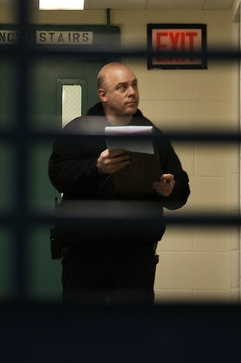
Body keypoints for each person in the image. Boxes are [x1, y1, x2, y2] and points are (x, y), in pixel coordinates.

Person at [48, 62, 190, 304]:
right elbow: (57, 174)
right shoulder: (79, 131)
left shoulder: (154, 135)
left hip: (135, 255)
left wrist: (170, 189)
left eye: (134, 85)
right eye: (122, 87)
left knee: (132, 334)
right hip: (84, 253)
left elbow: (182, 190)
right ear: (103, 94)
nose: (132, 92)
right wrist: (96, 167)